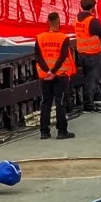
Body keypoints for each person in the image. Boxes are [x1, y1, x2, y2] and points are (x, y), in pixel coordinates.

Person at [35, 12, 76, 140]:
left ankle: (44, 132)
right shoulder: (63, 38)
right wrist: (53, 71)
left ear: (48, 22)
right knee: (60, 102)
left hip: (45, 75)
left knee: (45, 102)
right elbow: (62, 57)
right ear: (58, 21)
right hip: (60, 74)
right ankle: (62, 131)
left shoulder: (40, 38)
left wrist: (47, 71)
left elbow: (38, 57)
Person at [73, 0, 101, 112]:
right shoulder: (92, 21)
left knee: (86, 79)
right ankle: (88, 105)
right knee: (91, 80)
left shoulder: (77, 19)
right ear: (93, 8)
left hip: (81, 52)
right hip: (92, 54)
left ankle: (87, 102)